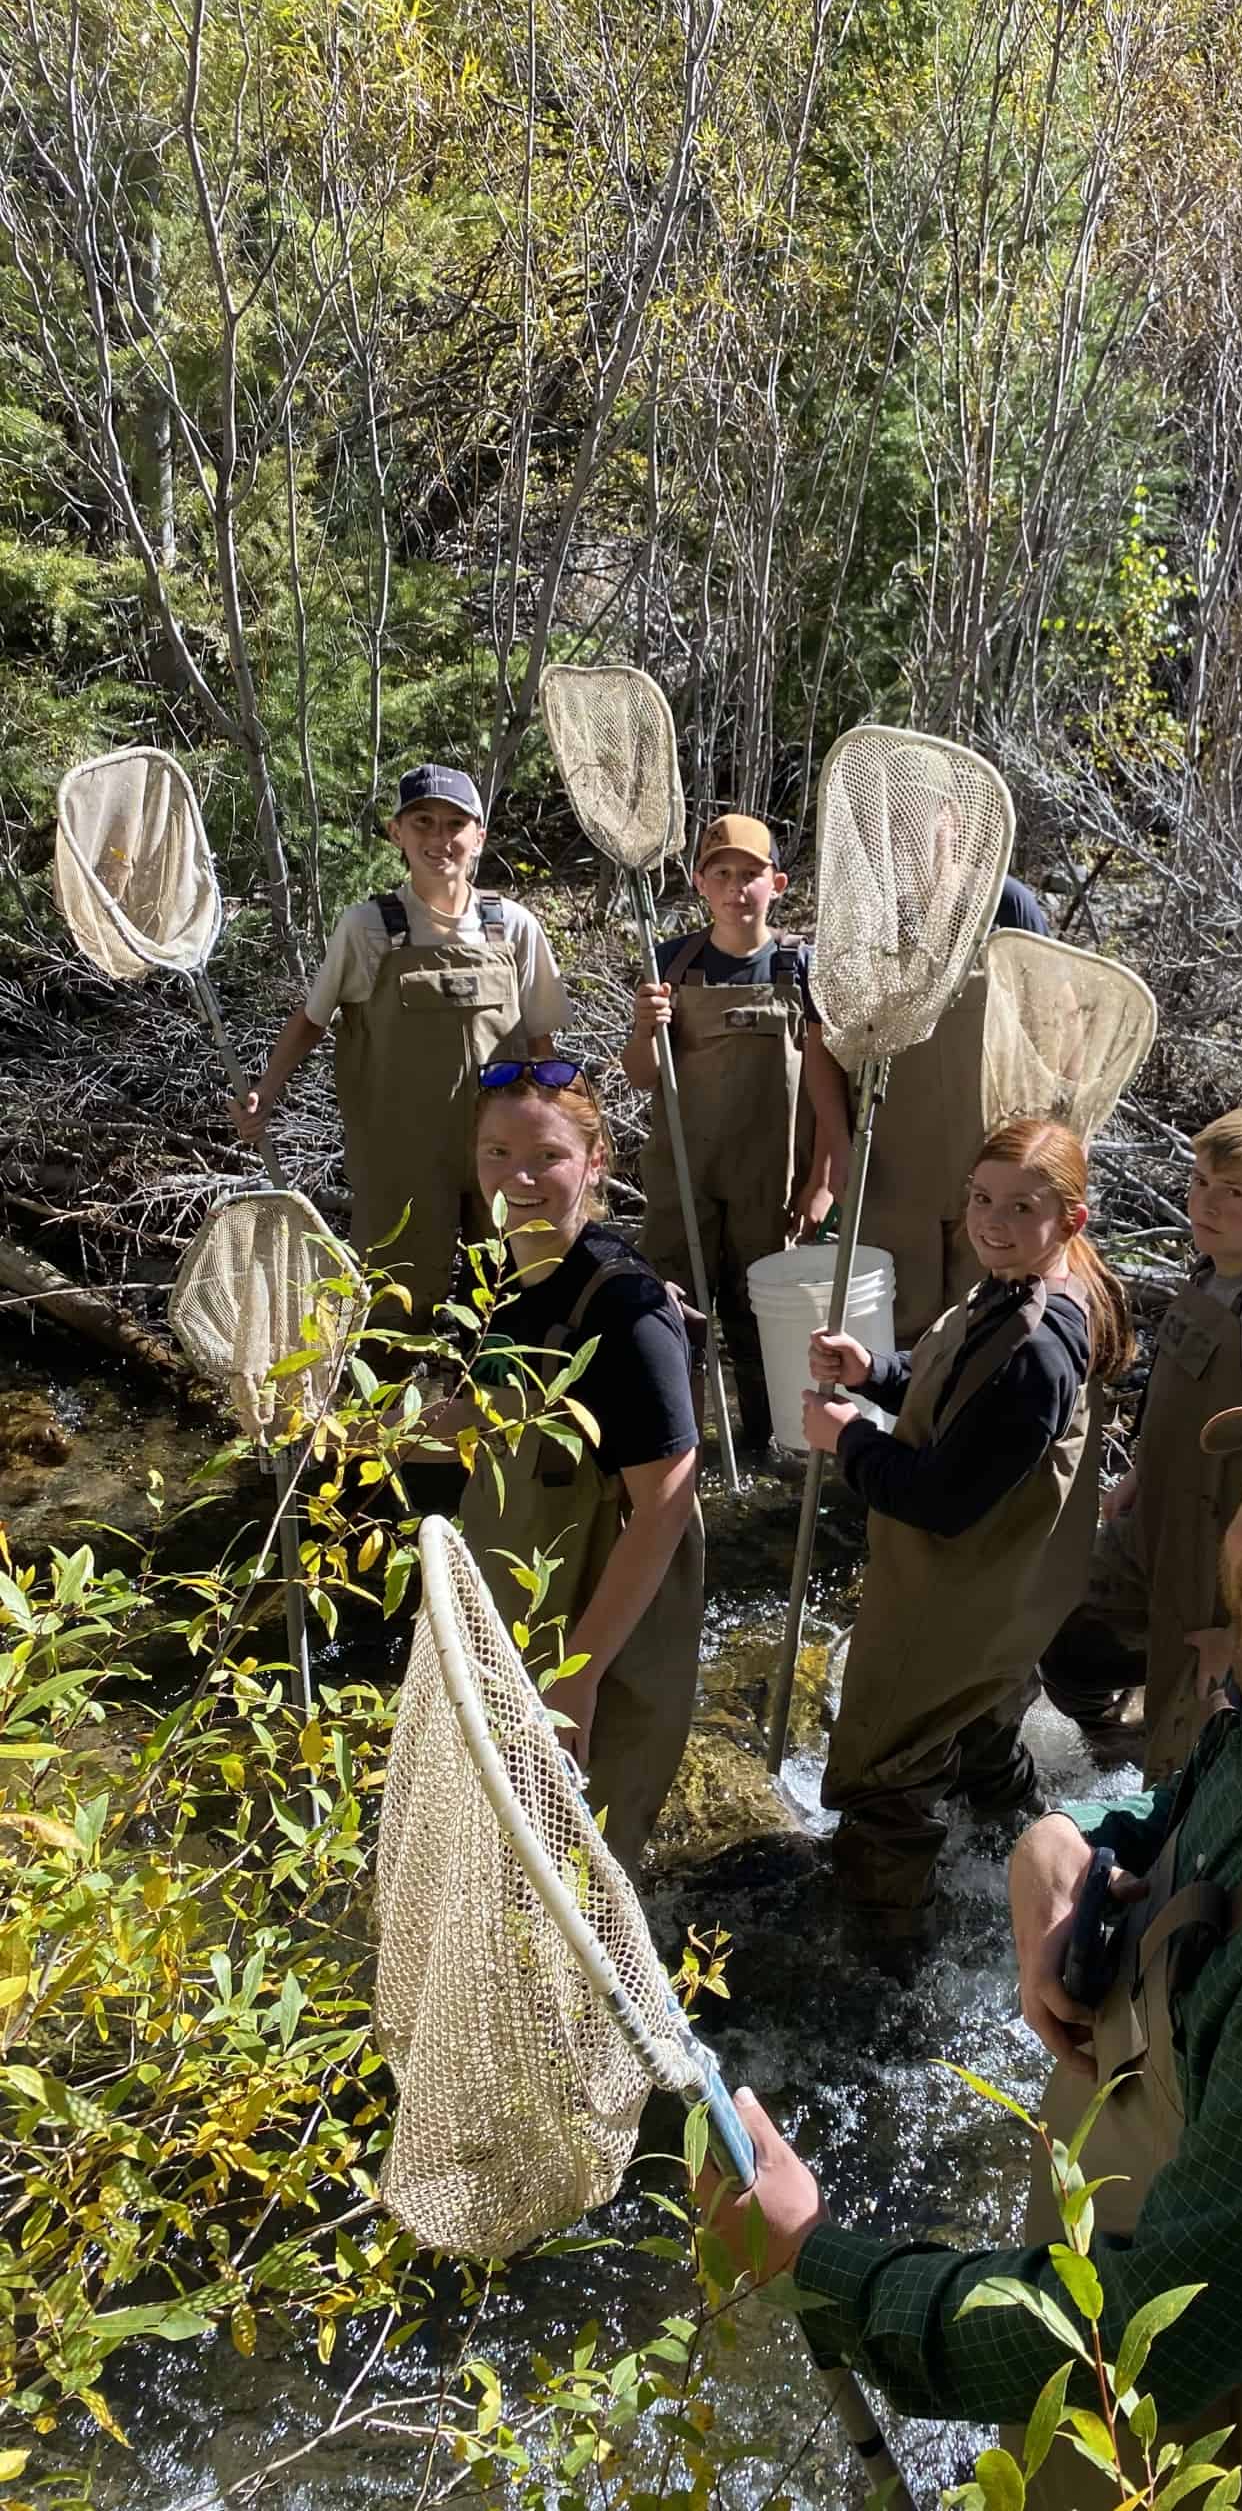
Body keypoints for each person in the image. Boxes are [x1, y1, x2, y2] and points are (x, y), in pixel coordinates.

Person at [702, 1343, 1242, 2511]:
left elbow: (1136, 2348)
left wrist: (818, 2265)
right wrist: (1077, 1839)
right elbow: (1201, 1798)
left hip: (1232, 2452)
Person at [800, 1116, 1130, 1937]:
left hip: (959, 1596)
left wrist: (848, 1438)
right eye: (982, 1198)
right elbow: (961, 1389)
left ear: (1071, 1220)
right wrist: (877, 1372)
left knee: (885, 1771)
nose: (993, 1222)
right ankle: (1023, 1850)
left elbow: (940, 1501)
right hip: (1016, 1598)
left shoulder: (1038, 1345)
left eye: (1023, 1207)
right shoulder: (1022, 1291)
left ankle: (885, 1960)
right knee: (982, 1725)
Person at [457, 1058, 704, 1866]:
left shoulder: (628, 1316)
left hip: (602, 1629)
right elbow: (490, 1414)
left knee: (582, 1864)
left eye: (547, 1157)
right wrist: (354, 1432)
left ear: (594, 1163)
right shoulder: (497, 1272)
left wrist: (575, 1679)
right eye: (498, 1154)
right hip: (521, 1595)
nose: (518, 1178)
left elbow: (664, 1507)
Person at [231, 764, 571, 1333]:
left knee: (509, 1304)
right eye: (423, 824)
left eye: (454, 825)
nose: (440, 839)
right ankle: (382, 1421)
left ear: (479, 836)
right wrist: (263, 1093)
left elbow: (541, 1043)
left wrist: (558, 1140)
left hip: (503, 1154)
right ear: (397, 834)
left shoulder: (511, 927)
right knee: (394, 1310)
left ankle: (493, 1418)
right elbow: (312, 1020)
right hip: (399, 1156)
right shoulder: (368, 927)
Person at [1042, 1102, 1242, 1779]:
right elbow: (1176, 1399)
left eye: (1234, 1193)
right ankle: (1116, 1741)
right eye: (1201, 1182)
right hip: (1155, 1521)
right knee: (1065, 1639)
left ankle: (1158, 1812)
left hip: (1219, 1567)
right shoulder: (1210, 1273)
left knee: (1184, 1748)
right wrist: (1139, 1476)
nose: (1207, 1203)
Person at [619, 811, 850, 1455]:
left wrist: (822, 1183)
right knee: (677, 1317)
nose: (735, 887)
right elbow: (640, 1077)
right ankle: (679, 1448)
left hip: (769, 1186)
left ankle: (768, 1446)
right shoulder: (671, 962)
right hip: (683, 1182)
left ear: (775, 883)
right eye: (721, 873)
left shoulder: (802, 968)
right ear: (699, 883)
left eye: (750, 874)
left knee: (762, 1325)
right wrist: (646, 1028)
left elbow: (830, 1090)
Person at [860, 868, 1054, 1345]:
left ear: (958, 821)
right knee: (900, 1324)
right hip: (893, 1155)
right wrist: (833, 1146)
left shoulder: (1006, 903)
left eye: (931, 818)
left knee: (993, 1315)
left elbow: (1052, 1017)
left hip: (992, 1145)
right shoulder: (865, 908)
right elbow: (828, 1035)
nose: (915, 839)